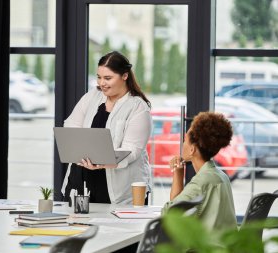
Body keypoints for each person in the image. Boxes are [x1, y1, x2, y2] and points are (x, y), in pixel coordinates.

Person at [61, 51, 152, 204]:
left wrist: (102, 160)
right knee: (78, 226)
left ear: (124, 76)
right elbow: (71, 126)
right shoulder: (92, 96)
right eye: (99, 77)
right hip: (81, 179)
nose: (101, 83)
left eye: (108, 78)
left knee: (116, 227)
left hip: (119, 188)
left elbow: (132, 150)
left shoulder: (138, 107)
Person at [162, 112, 237, 230]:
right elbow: (177, 206)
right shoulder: (221, 176)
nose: (182, 144)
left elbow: (169, 214)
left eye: (185, 140)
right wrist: (178, 173)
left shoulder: (201, 182)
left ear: (192, 150)